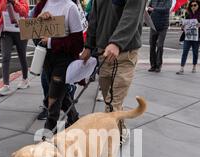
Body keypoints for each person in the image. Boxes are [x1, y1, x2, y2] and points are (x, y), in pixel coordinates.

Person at [81, 0, 146, 144]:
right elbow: (94, 18)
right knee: (109, 100)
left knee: (113, 103)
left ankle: (110, 142)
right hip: (103, 52)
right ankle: (120, 129)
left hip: (125, 53)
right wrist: (88, 46)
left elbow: (132, 15)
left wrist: (117, 42)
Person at [33, 0, 84, 134]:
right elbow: (33, 32)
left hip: (64, 59)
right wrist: (38, 21)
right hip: (47, 57)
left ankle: (48, 132)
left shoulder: (70, 7)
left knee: (53, 96)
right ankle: (75, 119)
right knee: (60, 92)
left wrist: (51, 41)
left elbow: (78, 43)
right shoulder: (42, 4)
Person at [0, 0, 30, 96]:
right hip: (6, 31)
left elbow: (24, 12)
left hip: (20, 30)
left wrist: (14, 2)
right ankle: (6, 85)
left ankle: (25, 79)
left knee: (22, 55)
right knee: (5, 57)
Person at [176, 0, 200, 75]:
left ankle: (194, 66)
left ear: (198, 5)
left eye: (195, 5)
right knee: (184, 52)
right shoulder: (188, 14)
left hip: (196, 36)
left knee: (195, 52)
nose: (193, 7)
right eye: (191, 5)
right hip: (188, 36)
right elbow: (185, 24)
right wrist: (182, 27)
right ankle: (182, 68)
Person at [147, 0, 172, 73]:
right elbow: (149, 9)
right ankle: (153, 65)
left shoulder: (168, 1)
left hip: (163, 25)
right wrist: (146, 11)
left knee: (160, 45)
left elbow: (166, 9)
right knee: (152, 45)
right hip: (153, 24)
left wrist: (154, 9)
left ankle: (158, 65)